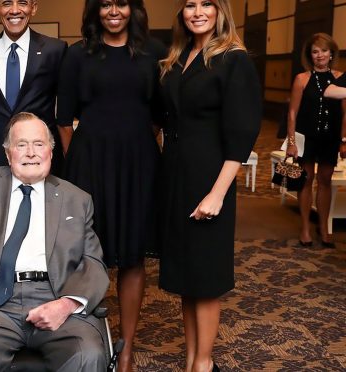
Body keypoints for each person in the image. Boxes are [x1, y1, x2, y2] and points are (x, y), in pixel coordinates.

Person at [0, 112, 110, 371]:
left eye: (39, 144)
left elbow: (93, 263)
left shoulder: (77, 199)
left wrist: (66, 304)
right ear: (8, 154)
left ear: (51, 152)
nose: (31, 153)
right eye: (21, 145)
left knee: (88, 354)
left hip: (56, 298)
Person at [56, 1, 165, 370]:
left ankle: (127, 347)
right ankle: (86, 341)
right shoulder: (77, 54)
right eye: (105, 4)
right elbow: (63, 119)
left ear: (133, 9)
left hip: (138, 163)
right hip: (89, 164)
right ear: (95, 11)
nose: (113, 11)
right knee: (88, 256)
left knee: (133, 257)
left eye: (121, 3)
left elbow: (160, 115)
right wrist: (77, 166)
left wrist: (136, 147)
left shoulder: (155, 53)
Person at [158, 1, 260, 371]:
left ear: (220, 10)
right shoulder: (178, 56)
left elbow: (242, 134)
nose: (197, 11)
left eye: (206, 4)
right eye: (189, 4)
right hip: (175, 178)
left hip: (209, 178)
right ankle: (191, 359)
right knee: (187, 278)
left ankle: (203, 364)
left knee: (206, 276)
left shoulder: (234, 59)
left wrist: (217, 193)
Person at [0, 0, 67, 174]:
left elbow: (66, 106)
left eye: (22, 3)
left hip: (39, 157)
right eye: (7, 3)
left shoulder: (55, 50)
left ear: (34, 8)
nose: (15, 10)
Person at [286, 33, 346, 248]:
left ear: (331, 53)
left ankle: (323, 227)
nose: (320, 55)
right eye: (315, 51)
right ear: (310, 55)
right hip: (306, 138)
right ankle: (304, 228)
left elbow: (345, 112)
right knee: (306, 180)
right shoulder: (302, 78)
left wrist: (343, 140)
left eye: (324, 50)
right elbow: (292, 112)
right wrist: (292, 141)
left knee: (325, 181)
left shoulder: (341, 77)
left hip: (330, 139)